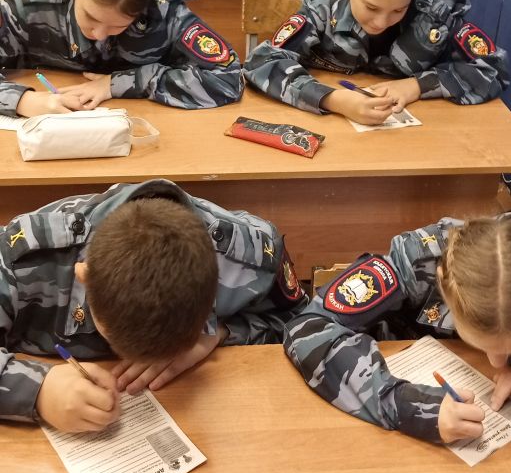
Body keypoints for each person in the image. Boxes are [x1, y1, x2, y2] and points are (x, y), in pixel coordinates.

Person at [0, 180, 306, 428]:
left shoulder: (251, 257)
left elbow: (300, 321)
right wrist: (39, 391)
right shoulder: (21, 257)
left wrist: (222, 332)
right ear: (84, 277)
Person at [284, 211, 511, 445]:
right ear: (442, 282)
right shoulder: (419, 261)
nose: (496, 363)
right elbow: (308, 327)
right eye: (482, 344)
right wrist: (409, 405)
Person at [244, 0, 509, 124]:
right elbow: (261, 62)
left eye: (398, 10)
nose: (382, 22)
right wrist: (333, 99)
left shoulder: (431, 18)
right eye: (371, 7)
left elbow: (496, 67)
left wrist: (417, 86)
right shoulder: (322, 7)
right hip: (329, 129)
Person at [0, 0, 241, 117]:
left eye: (118, 25)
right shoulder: (32, 7)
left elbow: (228, 77)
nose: (100, 35)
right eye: (91, 17)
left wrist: (122, 83)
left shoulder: (163, 12)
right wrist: (23, 101)